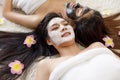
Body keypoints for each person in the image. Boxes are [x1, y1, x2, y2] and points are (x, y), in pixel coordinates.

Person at [0, 12, 120, 80]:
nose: (63, 27)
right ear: (49, 41)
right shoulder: (47, 65)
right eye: (55, 28)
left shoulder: (97, 46)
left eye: (65, 24)